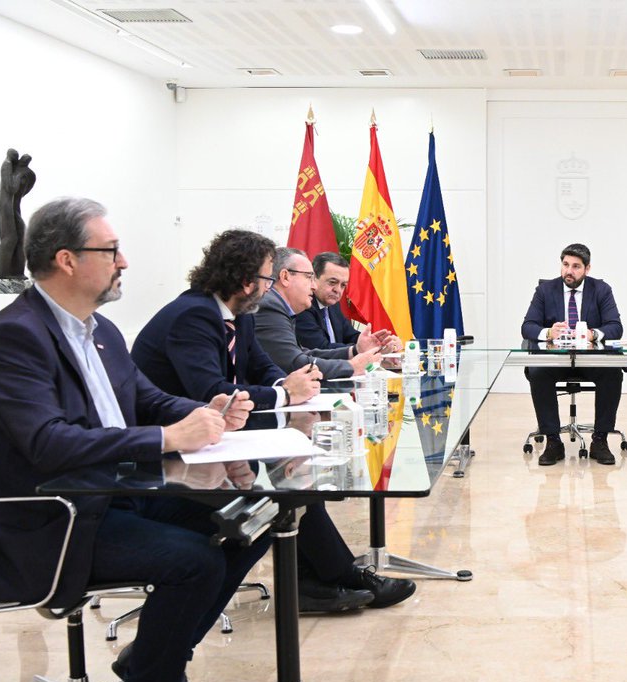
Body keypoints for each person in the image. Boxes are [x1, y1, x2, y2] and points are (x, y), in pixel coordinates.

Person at [0, 197, 270, 682]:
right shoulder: (14, 338)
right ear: (68, 260)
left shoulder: (97, 330)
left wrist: (208, 412)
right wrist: (169, 439)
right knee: (195, 560)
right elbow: (48, 442)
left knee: (252, 517)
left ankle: (151, 662)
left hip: (108, 496)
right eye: (111, 250)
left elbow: (144, 399)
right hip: (47, 519)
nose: (124, 261)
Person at [131, 230, 415, 612]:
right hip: (169, 450)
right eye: (267, 278)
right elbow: (210, 389)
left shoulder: (239, 315)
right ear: (246, 280)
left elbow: (262, 366)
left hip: (220, 436)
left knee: (294, 480)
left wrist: (289, 384)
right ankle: (338, 577)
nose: (269, 288)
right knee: (282, 490)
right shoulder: (193, 315)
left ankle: (320, 583)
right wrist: (286, 394)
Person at [521, 243, 624, 466]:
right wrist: (548, 332)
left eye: (576, 266)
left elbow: (615, 326)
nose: (569, 271)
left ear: (587, 269)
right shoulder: (545, 290)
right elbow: (527, 326)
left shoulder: (601, 290)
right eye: (565, 265)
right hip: (557, 360)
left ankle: (600, 440)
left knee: (613, 373)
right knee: (538, 372)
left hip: (590, 359)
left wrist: (592, 334)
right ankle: (553, 441)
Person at [255, 247, 391, 380]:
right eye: (309, 277)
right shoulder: (270, 306)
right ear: (285, 277)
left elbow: (304, 353)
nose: (313, 286)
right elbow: (295, 363)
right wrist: (351, 366)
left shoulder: (281, 306)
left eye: (343, 285)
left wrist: (356, 350)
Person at [295, 251, 361, 349]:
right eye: (332, 282)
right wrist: (359, 349)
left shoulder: (333, 305)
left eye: (343, 285)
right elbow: (321, 349)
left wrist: (375, 341)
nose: (337, 290)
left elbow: (350, 335)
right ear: (313, 278)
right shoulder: (303, 306)